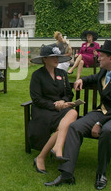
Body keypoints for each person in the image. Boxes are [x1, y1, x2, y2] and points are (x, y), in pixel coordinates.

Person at [45, 40, 111, 190]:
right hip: (103, 113)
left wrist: (100, 123)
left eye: (102, 56)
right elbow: (93, 79)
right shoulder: (105, 71)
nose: (98, 58)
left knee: (107, 131)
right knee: (74, 127)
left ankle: (101, 174)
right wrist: (82, 79)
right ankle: (67, 173)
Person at [28, 44, 77, 174]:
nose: (56, 59)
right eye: (53, 57)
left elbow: (69, 93)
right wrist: (54, 105)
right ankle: (45, 155)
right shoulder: (37, 75)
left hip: (61, 109)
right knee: (64, 126)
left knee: (73, 112)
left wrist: (63, 101)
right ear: (45, 59)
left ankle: (47, 153)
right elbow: (36, 99)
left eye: (57, 56)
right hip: (43, 110)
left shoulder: (62, 73)